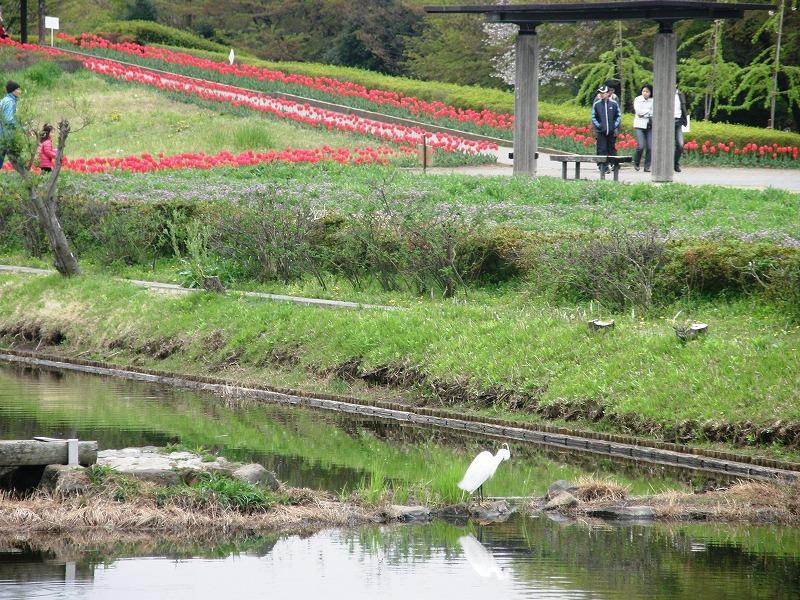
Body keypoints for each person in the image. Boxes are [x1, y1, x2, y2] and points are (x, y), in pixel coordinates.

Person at [591, 84, 621, 175]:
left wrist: (614, 126)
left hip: (611, 131)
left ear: (608, 93)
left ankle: (613, 165)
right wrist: (599, 126)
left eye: (603, 93)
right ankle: (603, 167)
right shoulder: (597, 104)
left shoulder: (614, 104)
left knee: (611, 148)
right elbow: (593, 117)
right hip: (601, 132)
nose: (601, 94)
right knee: (601, 149)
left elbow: (618, 116)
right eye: (600, 93)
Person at [0, 80, 21, 169]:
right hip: (7, 136)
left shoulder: (3, 100)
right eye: (18, 89)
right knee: (17, 161)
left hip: (2, 135)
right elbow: (9, 120)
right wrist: (22, 128)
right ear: (13, 90)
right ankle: (26, 176)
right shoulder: (10, 102)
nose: (20, 91)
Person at [632, 84, 653, 172]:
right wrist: (648, 112)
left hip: (649, 125)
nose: (645, 93)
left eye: (647, 91)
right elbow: (639, 112)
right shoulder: (638, 99)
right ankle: (636, 162)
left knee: (650, 147)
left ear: (651, 93)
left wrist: (645, 113)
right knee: (640, 146)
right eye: (644, 91)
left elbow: (654, 112)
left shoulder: (653, 100)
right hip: (639, 125)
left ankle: (647, 166)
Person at [674, 84, 688, 172]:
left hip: (678, 121)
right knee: (667, 145)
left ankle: (675, 163)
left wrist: (685, 119)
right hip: (667, 122)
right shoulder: (665, 94)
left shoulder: (680, 94)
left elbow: (684, 108)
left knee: (680, 144)